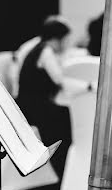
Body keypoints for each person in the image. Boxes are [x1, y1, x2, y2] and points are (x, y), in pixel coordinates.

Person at [16, 17, 92, 178]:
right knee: (64, 120)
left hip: (28, 103)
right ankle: (63, 171)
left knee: (63, 115)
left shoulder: (39, 48)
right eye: (66, 39)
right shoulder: (46, 52)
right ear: (57, 39)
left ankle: (63, 171)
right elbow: (59, 80)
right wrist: (88, 86)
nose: (67, 43)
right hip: (32, 106)